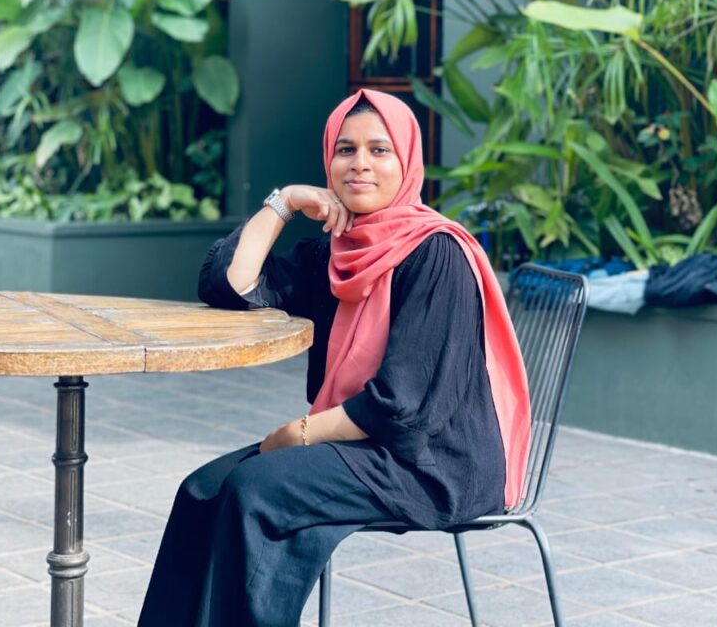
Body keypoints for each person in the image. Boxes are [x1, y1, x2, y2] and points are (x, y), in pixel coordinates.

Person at [138, 88, 530, 627]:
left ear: (407, 161)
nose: (360, 163)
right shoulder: (337, 251)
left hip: (432, 462)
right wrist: (286, 202)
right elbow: (230, 285)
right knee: (201, 490)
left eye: (379, 150)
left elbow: (403, 408)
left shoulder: (436, 253)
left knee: (257, 490)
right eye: (346, 150)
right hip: (364, 442)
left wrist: (296, 434)